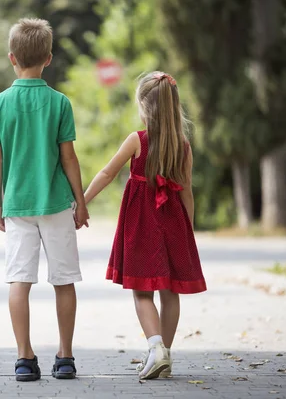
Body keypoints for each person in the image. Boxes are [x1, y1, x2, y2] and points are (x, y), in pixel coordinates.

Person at [84, 71, 207, 380]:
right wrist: (188, 231)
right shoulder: (184, 147)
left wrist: (83, 200)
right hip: (174, 225)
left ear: (144, 106)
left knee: (142, 293)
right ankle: (162, 353)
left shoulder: (137, 140)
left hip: (141, 225)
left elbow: (107, 173)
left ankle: (156, 349)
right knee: (169, 292)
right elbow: (187, 191)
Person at [0, 18, 89, 382]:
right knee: (64, 281)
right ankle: (65, 357)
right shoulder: (60, 103)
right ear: (48, 58)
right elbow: (69, 158)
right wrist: (82, 200)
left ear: (12, 58)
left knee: (19, 281)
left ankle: (24, 358)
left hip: (17, 204)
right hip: (58, 204)